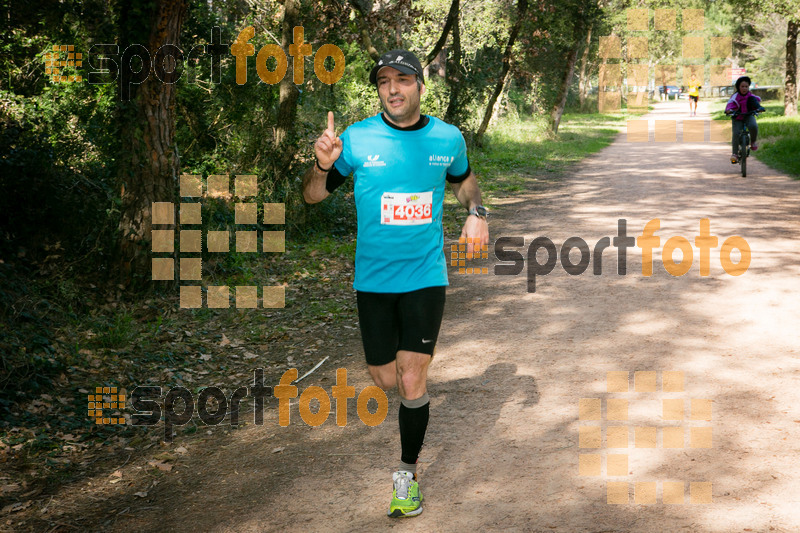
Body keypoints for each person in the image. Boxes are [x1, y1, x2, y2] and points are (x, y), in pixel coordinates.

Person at [302, 49, 489, 518]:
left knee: (411, 376)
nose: (393, 88)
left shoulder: (447, 138)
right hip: (373, 281)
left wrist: (476, 212)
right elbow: (312, 197)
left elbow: (465, 182)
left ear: (420, 86)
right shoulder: (357, 139)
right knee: (386, 378)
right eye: (384, 81)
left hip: (426, 276)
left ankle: (407, 475)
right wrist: (324, 165)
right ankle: (409, 395)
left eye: (402, 79)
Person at [725, 76, 764, 164]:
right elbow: (730, 105)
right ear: (738, 87)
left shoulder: (751, 96)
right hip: (737, 117)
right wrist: (729, 111)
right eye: (742, 86)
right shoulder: (735, 97)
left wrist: (759, 108)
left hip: (748, 115)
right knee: (736, 133)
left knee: (753, 126)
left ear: (748, 87)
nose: (744, 88)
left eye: (746, 86)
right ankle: (734, 153)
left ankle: (753, 141)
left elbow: (757, 102)